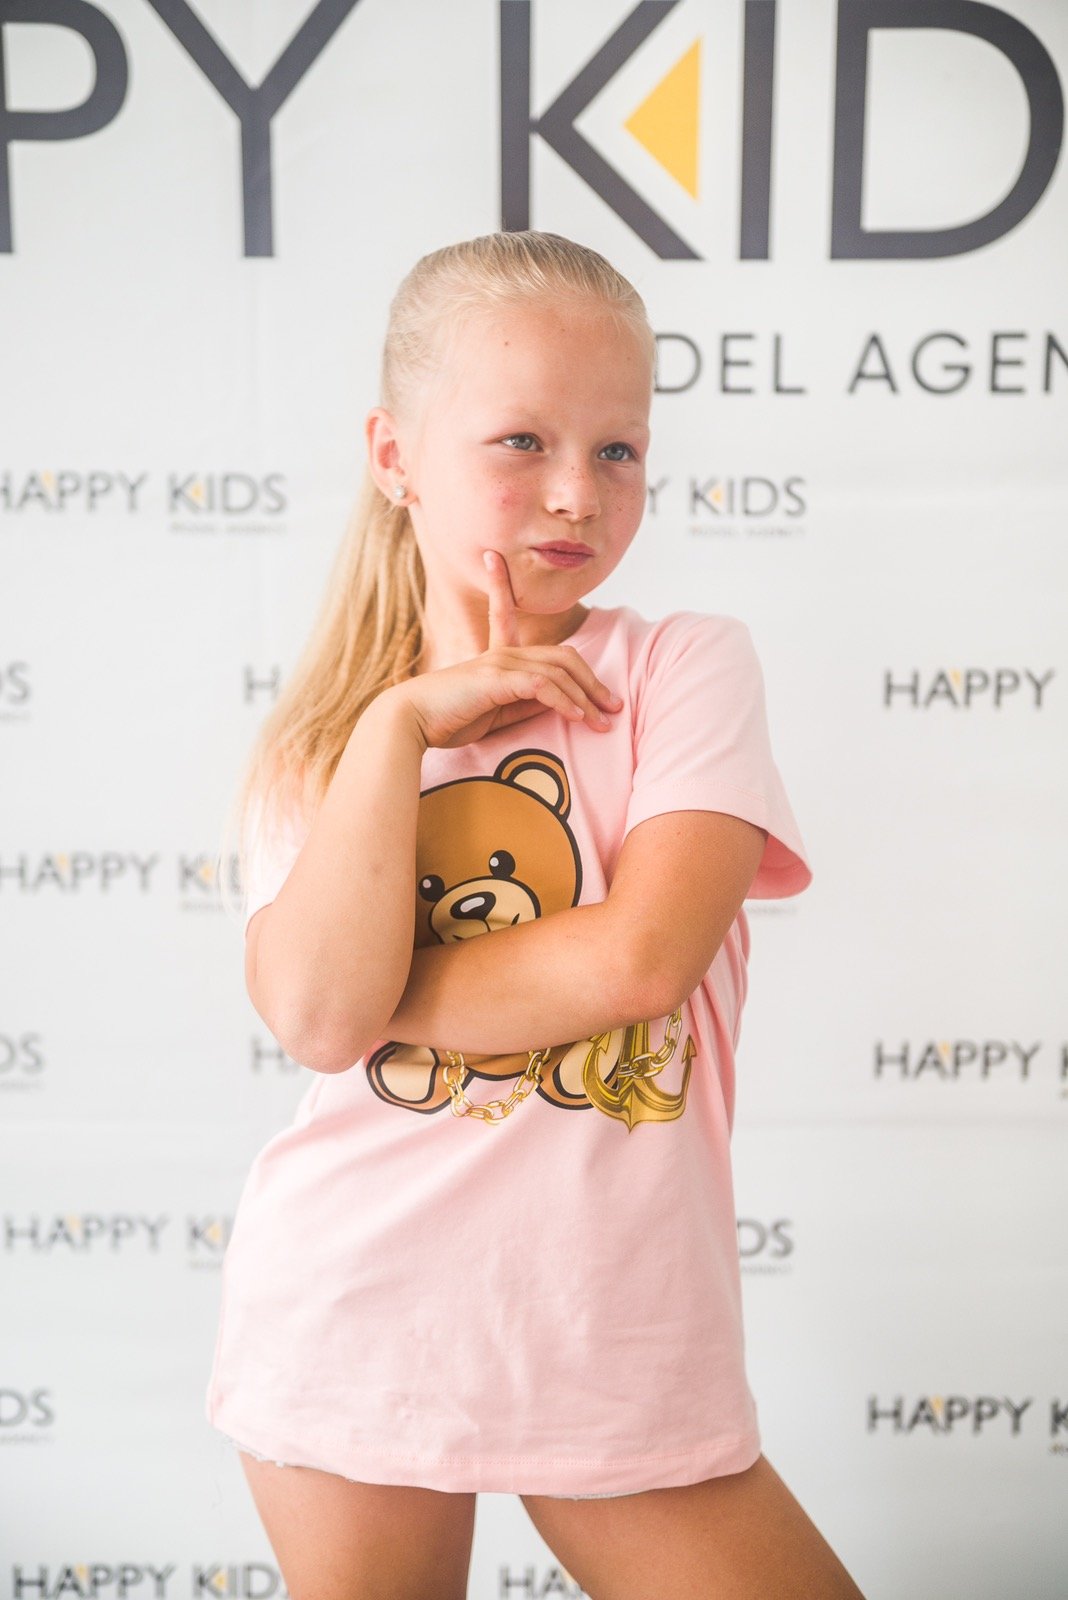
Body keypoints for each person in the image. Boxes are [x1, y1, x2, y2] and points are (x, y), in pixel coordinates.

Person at [205, 230, 866, 1600]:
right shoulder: (328, 749)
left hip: (616, 1328)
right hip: (353, 1314)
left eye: (619, 450)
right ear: (395, 455)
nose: (578, 492)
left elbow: (639, 962)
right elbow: (319, 1017)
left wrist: (379, 1002)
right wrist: (401, 727)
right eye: (523, 440)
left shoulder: (678, 669)